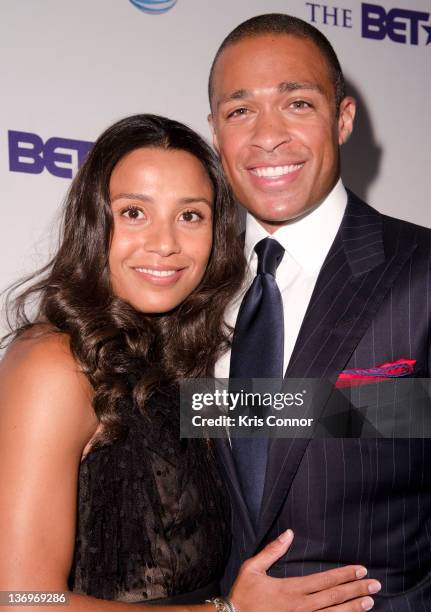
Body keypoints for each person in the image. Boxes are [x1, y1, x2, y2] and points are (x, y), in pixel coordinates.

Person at [0, 114, 379, 612]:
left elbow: (319, 414)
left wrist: (409, 406)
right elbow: (23, 599)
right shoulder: (56, 363)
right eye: (134, 212)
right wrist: (230, 611)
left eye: (191, 215)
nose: (165, 243)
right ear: (94, 222)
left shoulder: (175, 360)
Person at [208, 13, 431, 611]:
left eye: (297, 103)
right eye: (239, 111)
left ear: (343, 118)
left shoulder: (422, 271)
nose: (267, 135)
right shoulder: (185, 287)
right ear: (215, 132)